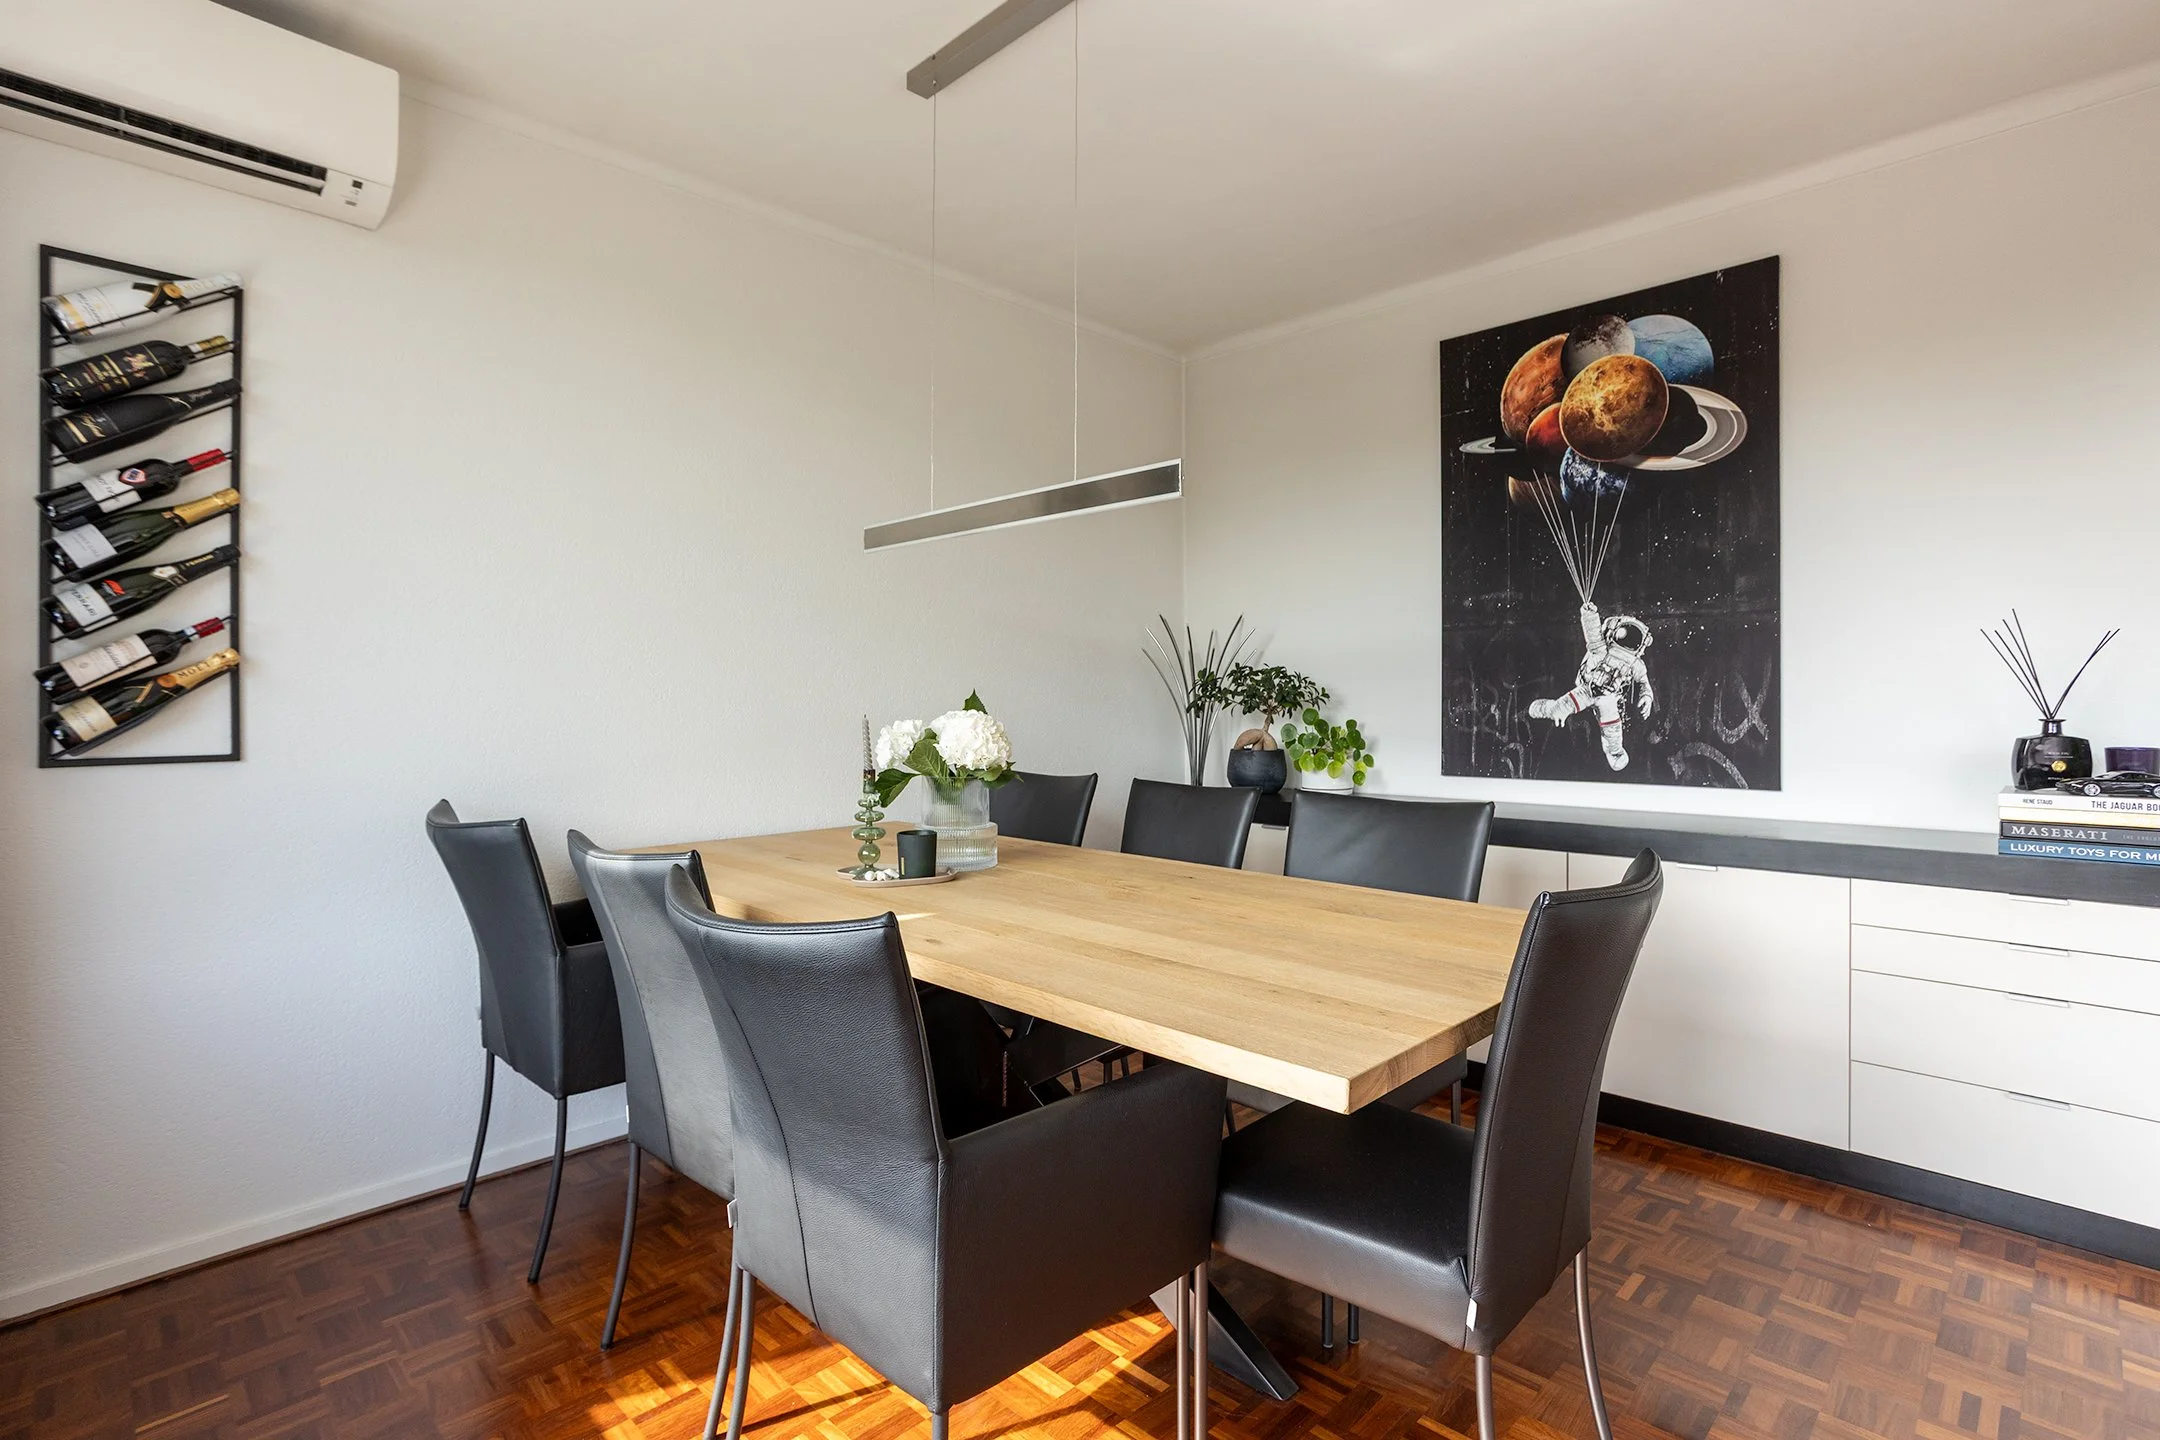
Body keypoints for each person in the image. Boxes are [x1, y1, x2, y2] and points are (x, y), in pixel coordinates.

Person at [1529, 601, 1654, 770]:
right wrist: (1589, 614)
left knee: (1613, 728)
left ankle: (1615, 751)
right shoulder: (1601, 650)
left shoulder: (1634, 664)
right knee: (1564, 706)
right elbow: (1593, 633)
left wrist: (1646, 696)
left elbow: (1643, 681)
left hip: (1608, 697)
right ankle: (1547, 708)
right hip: (1588, 689)